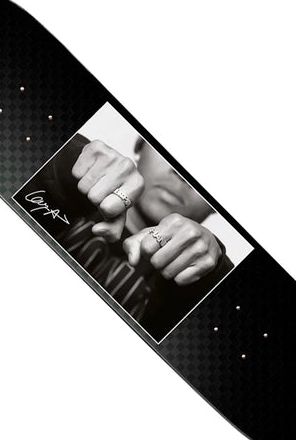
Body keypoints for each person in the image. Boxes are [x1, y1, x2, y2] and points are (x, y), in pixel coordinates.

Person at [22, 133, 233, 341]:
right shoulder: (66, 175)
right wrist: (65, 161)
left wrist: (215, 274)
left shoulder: (202, 281)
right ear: (141, 145)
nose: (183, 175)